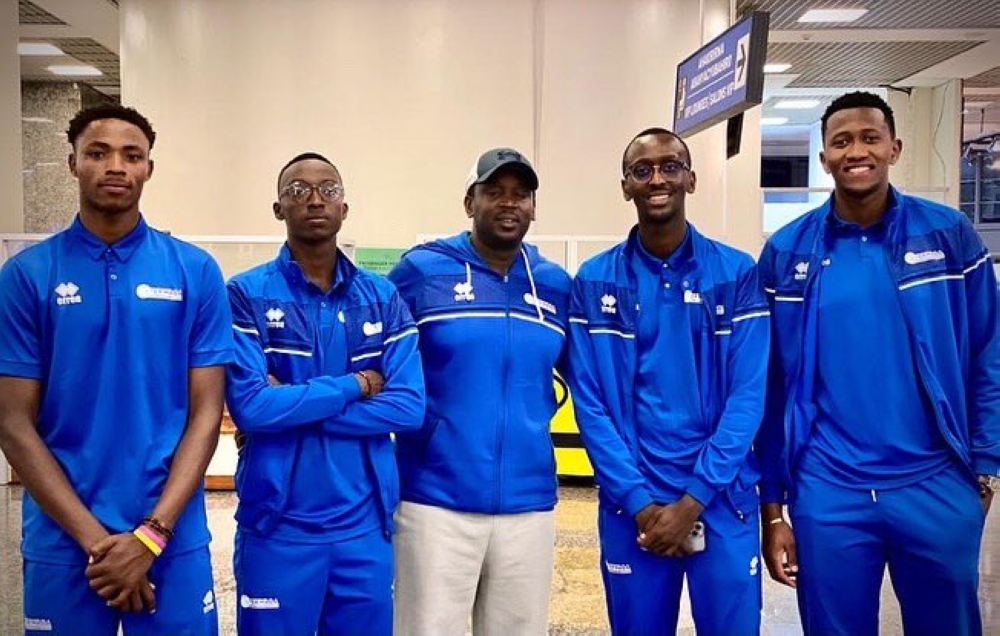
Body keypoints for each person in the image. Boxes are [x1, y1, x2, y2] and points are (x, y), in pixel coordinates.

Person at [757, 91, 999, 636]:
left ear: (894, 147)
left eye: (869, 137)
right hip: (828, 488)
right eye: (841, 141)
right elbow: (771, 387)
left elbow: (990, 352)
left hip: (935, 481)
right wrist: (774, 507)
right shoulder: (787, 253)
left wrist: (984, 469)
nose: (856, 151)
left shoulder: (948, 236)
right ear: (824, 159)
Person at [0, 104, 234, 635]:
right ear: (72, 163)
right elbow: (13, 422)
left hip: (172, 534)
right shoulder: (27, 276)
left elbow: (206, 413)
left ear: (149, 168)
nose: (115, 166)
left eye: (132, 155)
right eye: (98, 153)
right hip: (64, 540)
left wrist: (150, 536)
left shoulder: (194, 270)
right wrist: (98, 544)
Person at [566, 128, 770, 635]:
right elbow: (590, 405)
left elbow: (748, 397)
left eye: (670, 166)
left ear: (691, 179)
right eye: (643, 170)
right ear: (626, 186)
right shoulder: (594, 281)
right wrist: (638, 502)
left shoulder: (735, 273)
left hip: (721, 499)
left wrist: (694, 499)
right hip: (631, 505)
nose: (657, 178)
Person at [224, 152, 425, 636]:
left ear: (344, 208)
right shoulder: (245, 294)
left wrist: (289, 404)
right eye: (297, 190)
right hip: (276, 531)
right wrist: (355, 386)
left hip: (364, 532)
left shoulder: (381, 296)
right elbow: (250, 407)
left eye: (328, 189)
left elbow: (409, 406)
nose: (314, 198)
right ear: (278, 209)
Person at [387, 148, 571, 635]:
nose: (508, 204)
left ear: (533, 206)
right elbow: (371, 355)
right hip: (434, 503)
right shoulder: (421, 272)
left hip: (528, 506)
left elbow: (592, 381)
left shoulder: (554, 285)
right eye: (494, 192)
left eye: (521, 194)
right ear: (470, 202)